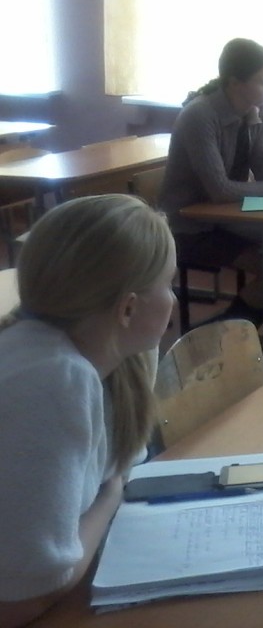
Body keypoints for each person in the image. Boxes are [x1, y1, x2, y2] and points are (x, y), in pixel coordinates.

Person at [0, 195, 176, 627]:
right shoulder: (53, 380)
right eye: (169, 283)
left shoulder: (119, 355)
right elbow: (23, 600)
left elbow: (119, 466)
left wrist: (111, 489)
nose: (173, 299)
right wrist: (111, 496)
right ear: (128, 308)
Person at [159, 38, 263, 326]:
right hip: (191, 229)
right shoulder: (200, 115)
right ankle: (217, 337)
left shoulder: (251, 114)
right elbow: (221, 190)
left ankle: (233, 333)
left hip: (227, 220)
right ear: (236, 83)